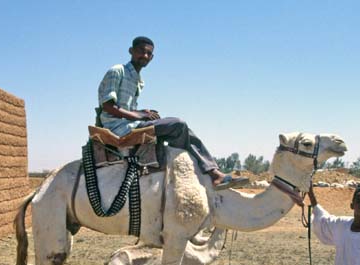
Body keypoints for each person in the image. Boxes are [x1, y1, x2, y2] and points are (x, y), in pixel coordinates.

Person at [97, 36, 248, 190]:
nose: (145, 56)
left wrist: (143, 112)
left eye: (149, 54)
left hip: (132, 123)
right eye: (141, 51)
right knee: (178, 125)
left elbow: (124, 108)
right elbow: (108, 106)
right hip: (119, 128)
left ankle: (196, 172)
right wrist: (139, 115)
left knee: (178, 129)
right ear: (131, 51)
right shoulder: (117, 71)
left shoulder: (138, 79)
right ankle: (211, 174)